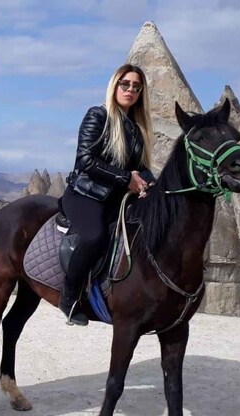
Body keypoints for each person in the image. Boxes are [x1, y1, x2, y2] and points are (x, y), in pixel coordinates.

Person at [59, 63, 155, 325]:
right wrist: (126, 178)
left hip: (115, 198)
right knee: (94, 236)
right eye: (126, 84)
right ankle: (69, 296)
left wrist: (152, 185)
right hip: (85, 194)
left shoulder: (136, 128)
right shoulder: (98, 116)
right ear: (115, 85)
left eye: (137, 87)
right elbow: (85, 160)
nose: (131, 90)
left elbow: (141, 168)